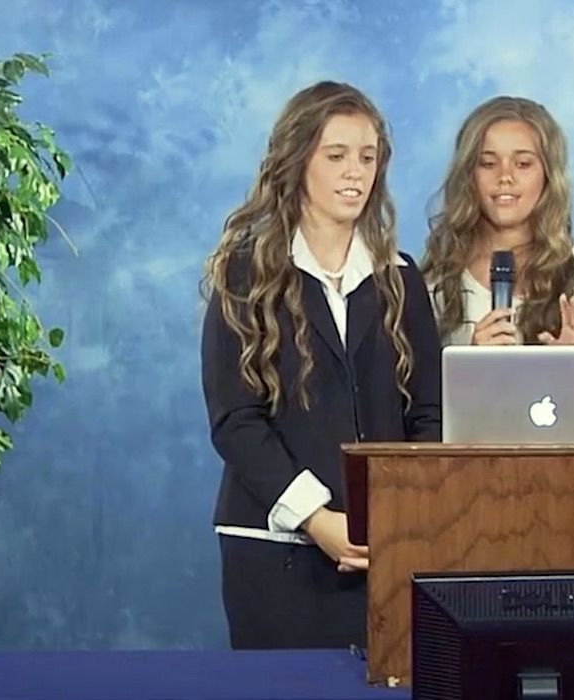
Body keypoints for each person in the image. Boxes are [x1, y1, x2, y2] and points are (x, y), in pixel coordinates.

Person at [200, 81, 441, 649]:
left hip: (389, 554)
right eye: (336, 156)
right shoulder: (244, 277)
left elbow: (428, 415)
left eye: (367, 156)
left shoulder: (401, 280)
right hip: (273, 556)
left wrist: (401, 516)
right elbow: (236, 421)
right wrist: (318, 519)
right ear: (297, 160)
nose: (355, 172)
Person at [420, 95, 574, 348]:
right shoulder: (435, 286)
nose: (505, 176)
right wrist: (470, 366)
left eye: (523, 164)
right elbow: (407, 386)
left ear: (548, 176)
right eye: (488, 163)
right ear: (468, 175)